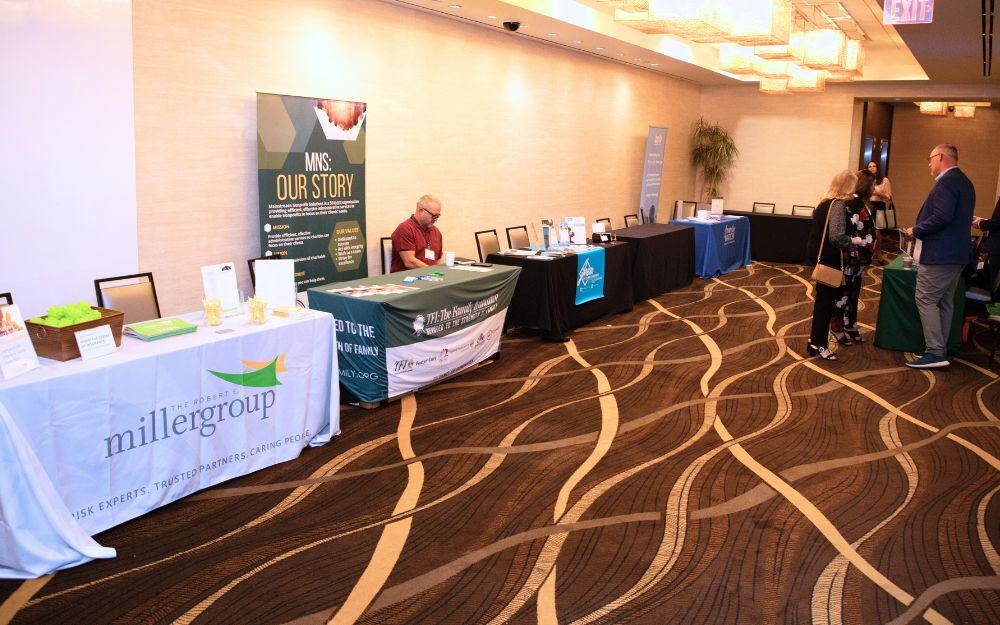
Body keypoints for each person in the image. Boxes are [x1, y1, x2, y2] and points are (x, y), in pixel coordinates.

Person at [903, 144, 976, 368]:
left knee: (925, 298)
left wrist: (916, 230)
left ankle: (935, 352)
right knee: (944, 302)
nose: (929, 164)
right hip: (957, 253)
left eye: (930, 159)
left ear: (941, 157)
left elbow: (942, 217)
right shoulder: (965, 182)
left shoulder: (947, 182)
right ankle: (940, 349)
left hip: (940, 254)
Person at [807, 170, 864, 361]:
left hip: (820, 258)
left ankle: (815, 340)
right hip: (831, 260)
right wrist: (854, 241)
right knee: (826, 303)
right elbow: (837, 237)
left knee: (823, 301)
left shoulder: (824, 202)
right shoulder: (838, 205)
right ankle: (819, 344)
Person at [830, 169, 877, 345]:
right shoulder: (852, 204)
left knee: (853, 295)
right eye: (872, 184)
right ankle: (837, 326)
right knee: (843, 294)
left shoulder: (863, 203)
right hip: (851, 258)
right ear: (865, 185)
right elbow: (848, 233)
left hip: (860, 259)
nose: (874, 188)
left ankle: (850, 324)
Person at [390, 195, 444, 273]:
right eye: (433, 215)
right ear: (421, 211)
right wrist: (433, 272)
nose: (435, 219)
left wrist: (441, 273)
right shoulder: (405, 229)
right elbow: (409, 262)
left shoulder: (436, 232)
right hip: (407, 279)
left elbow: (438, 260)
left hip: (431, 277)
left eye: (437, 216)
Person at [973, 196, 1000, 295]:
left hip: (997, 248)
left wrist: (981, 223)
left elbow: (997, 222)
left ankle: (990, 305)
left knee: (993, 282)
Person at [868, 161, 892, 265]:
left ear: (877, 168)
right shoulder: (866, 180)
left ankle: (879, 254)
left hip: (879, 206)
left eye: (874, 166)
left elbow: (888, 197)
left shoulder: (884, 180)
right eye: (869, 166)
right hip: (868, 205)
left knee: (878, 232)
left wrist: (877, 193)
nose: (872, 168)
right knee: (868, 230)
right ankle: (869, 254)